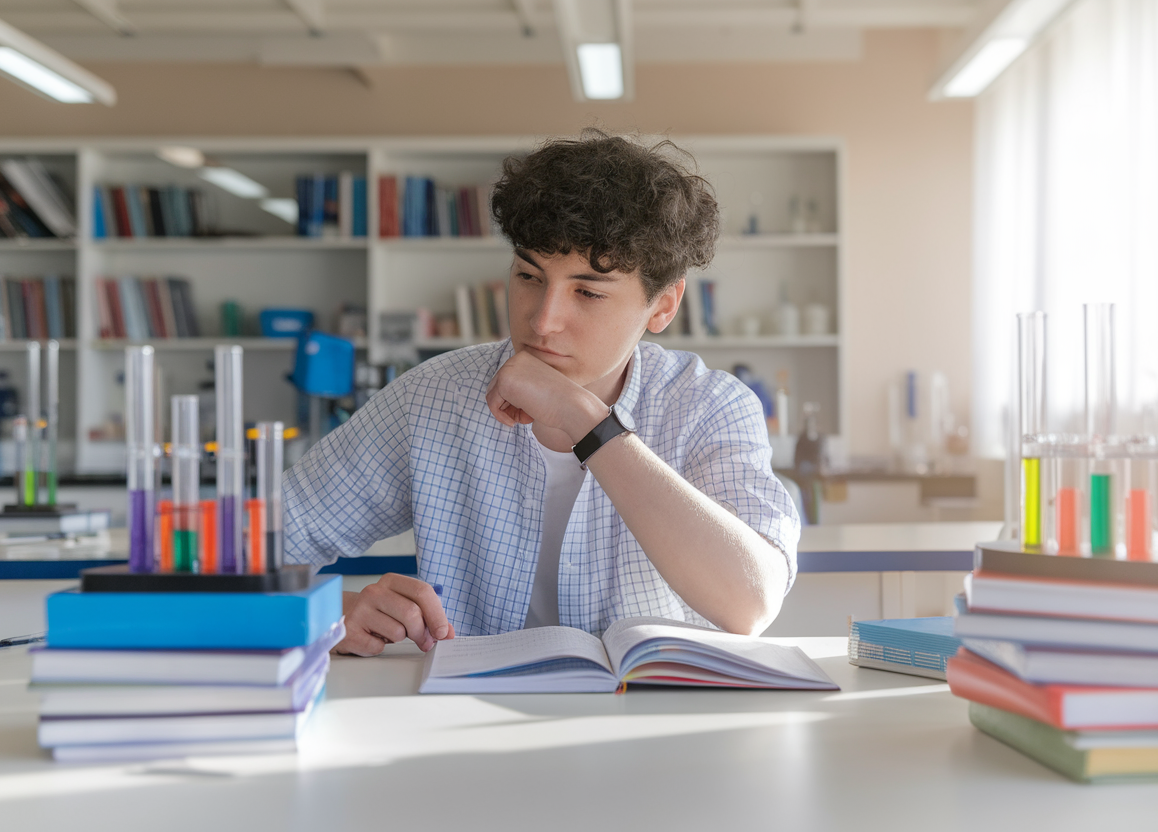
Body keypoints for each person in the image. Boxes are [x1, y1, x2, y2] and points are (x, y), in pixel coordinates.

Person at [283, 129, 800, 657]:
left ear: (664, 305)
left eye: (588, 292)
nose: (543, 319)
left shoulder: (710, 405)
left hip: (655, 725)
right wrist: (325, 612)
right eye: (529, 276)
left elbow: (750, 604)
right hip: (468, 721)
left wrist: (588, 423)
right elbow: (247, 551)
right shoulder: (431, 398)